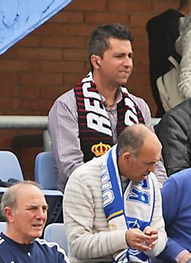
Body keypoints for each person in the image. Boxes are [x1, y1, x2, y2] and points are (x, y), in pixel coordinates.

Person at [63, 124, 180, 263]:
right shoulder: (82, 179)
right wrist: (125, 239)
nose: (153, 170)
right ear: (126, 158)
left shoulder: (151, 182)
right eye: (148, 163)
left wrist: (153, 241)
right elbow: (78, 246)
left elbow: (161, 236)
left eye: (156, 162)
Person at [49, 24, 159, 186]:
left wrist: (157, 195)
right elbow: (70, 169)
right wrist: (113, 192)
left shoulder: (140, 107)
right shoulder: (67, 106)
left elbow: (157, 163)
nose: (128, 63)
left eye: (130, 56)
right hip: (85, 203)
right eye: (119, 56)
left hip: (137, 201)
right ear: (96, 61)